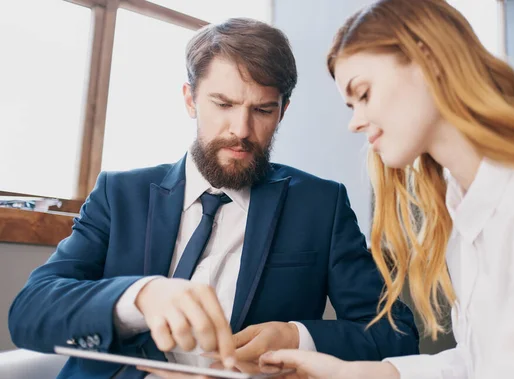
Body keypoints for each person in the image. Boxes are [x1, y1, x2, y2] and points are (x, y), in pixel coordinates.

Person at [8, 18, 419, 379]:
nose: (241, 129)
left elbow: (396, 334)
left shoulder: (320, 204)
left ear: (283, 111)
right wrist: (141, 297)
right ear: (190, 99)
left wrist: (297, 336)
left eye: (262, 110)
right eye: (223, 104)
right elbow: (30, 313)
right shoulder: (120, 194)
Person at [254, 1, 514, 378]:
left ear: (430, 62)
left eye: (364, 94)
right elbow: (479, 362)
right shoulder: (460, 203)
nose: (355, 122)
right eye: (351, 105)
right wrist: (353, 373)